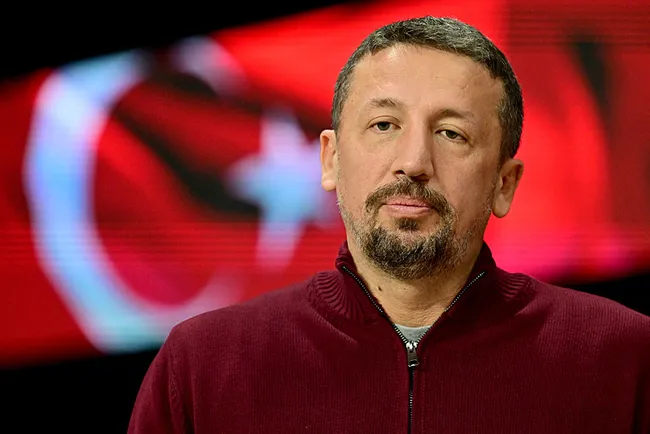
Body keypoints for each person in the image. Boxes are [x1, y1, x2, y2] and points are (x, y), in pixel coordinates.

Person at [128, 16, 650, 433]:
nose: (413, 162)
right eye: (384, 125)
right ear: (331, 159)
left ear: (504, 183)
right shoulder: (201, 366)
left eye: (451, 133)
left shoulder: (624, 359)